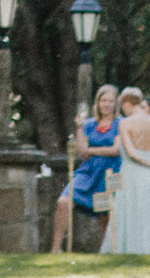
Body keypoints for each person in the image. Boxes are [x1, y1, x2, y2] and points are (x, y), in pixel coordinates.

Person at [101, 89, 150, 255]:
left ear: (126, 103)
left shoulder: (125, 123)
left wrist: (149, 165)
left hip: (132, 174)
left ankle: (126, 250)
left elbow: (132, 154)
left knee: (130, 214)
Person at [52, 86, 118, 254]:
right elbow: (81, 151)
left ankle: (106, 253)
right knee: (63, 202)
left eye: (110, 101)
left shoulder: (120, 123)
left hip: (109, 173)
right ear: (98, 102)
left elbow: (115, 150)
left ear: (115, 103)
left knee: (104, 215)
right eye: (104, 100)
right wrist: (79, 128)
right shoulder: (88, 124)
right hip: (88, 171)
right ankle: (56, 248)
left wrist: (92, 151)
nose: (107, 104)